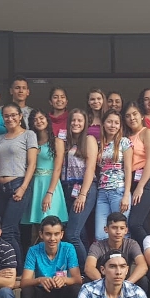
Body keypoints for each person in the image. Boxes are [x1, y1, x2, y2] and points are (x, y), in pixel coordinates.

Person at [0, 103, 38, 273]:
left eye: (13, 115)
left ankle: (17, 271)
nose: (10, 118)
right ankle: (19, 268)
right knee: (14, 232)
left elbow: (32, 164)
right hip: (1, 189)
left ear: (20, 116)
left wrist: (23, 187)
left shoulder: (28, 135)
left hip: (18, 184)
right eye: (6, 116)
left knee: (7, 231)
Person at [61, 108, 98, 269]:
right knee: (80, 232)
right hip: (67, 187)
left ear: (85, 124)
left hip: (85, 188)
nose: (76, 123)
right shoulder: (65, 141)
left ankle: (86, 270)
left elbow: (91, 168)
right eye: (73, 120)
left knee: (71, 234)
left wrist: (83, 194)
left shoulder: (89, 140)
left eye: (79, 121)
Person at [22, 109, 68, 227]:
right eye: (35, 120)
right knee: (35, 226)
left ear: (47, 120)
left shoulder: (57, 142)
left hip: (50, 184)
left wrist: (50, 193)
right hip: (34, 183)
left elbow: (57, 169)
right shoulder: (31, 142)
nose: (39, 121)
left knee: (50, 223)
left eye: (41, 118)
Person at [123, 101, 150, 246]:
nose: (132, 118)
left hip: (146, 179)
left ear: (142, 116)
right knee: (144, 223)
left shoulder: (147, 132)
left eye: (135, 114)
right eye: (127, 116)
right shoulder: (125, 136)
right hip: (129, 180)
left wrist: (141, 186)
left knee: (134, 223)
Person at [85, 212, 149, 294]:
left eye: (122, 228)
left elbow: (143, 266)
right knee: (87, 280)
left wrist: (127, 284)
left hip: (123, 281)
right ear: (106, 229)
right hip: (102, 282)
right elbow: (89, 267)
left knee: (143, 280)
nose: (118, 232)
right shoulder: (97, 246)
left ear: (126, 230)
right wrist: (104, 284)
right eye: (114, 228)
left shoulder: (132, 244)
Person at [95, 110, 132, 240]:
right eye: (109, 122)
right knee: (100, 234)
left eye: (116, 123)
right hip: (102, 192)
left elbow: (128, 169)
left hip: (119, 190)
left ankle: (122, 260)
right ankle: (107, 260)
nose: (112, 125)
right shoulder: (98, 144)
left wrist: (126, 195)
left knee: (120, 232)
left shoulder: (124, 142)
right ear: (103, 123)